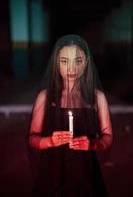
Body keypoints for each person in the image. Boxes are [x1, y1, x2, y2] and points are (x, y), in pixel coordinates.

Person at [28, 34, 113, 197]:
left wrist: (93, 144)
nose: (72, 68)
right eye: (64, 61)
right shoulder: (45, 97)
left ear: (86, 63)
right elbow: (32, 137)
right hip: (52, 172)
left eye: (78, 61)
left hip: (86, 172)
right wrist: (49, 141)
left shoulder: (97, 98)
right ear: (56, 63)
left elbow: (108, 137)